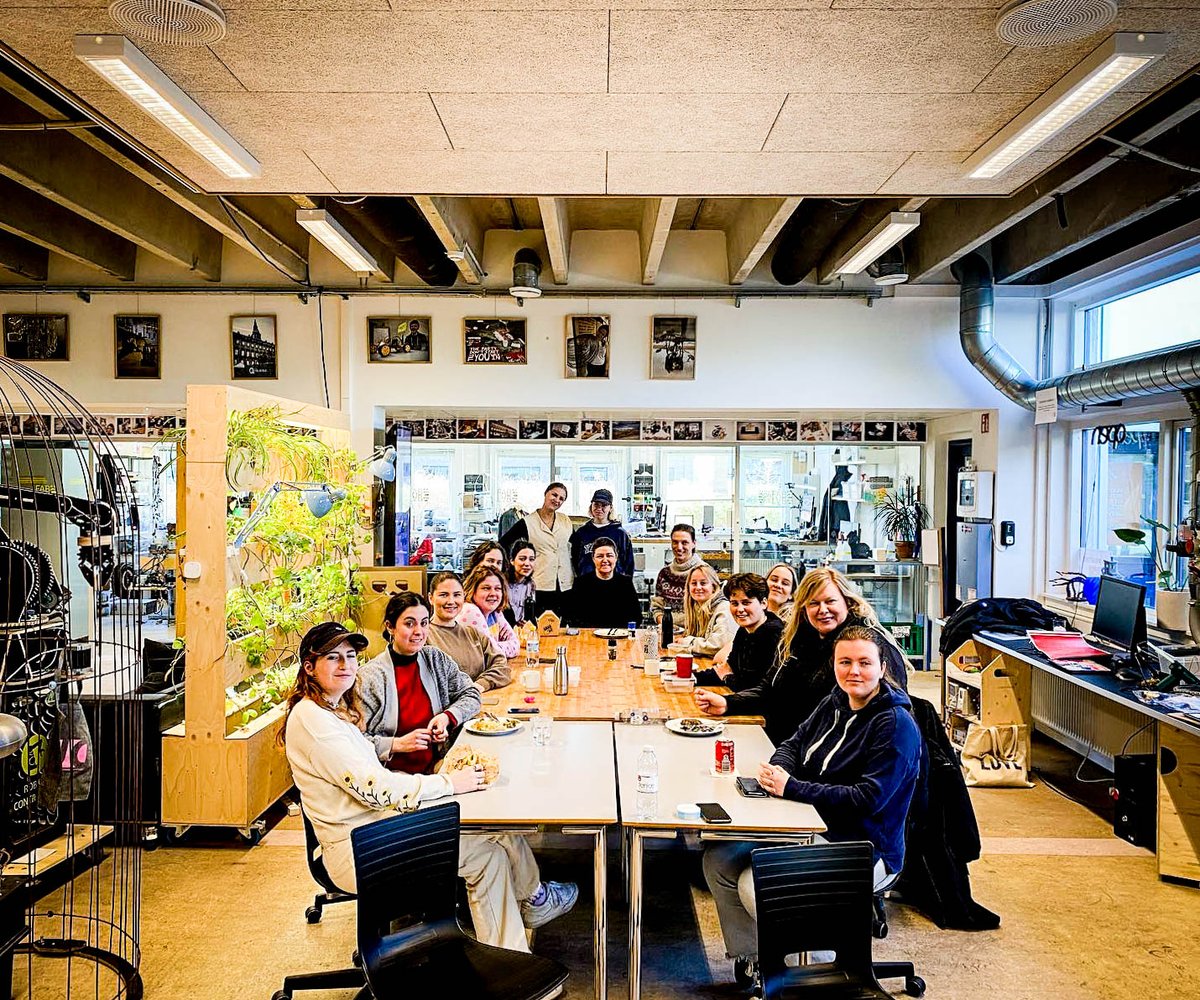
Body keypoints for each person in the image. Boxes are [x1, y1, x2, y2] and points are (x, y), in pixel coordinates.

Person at [284, 622, 577, 953]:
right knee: (487, 855)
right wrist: (449, 782)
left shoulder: (331, 710)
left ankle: (520, 938)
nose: (346, 666)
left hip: (376, 828)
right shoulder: (313, 719)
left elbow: (363, 769)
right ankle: (513, 955)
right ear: (309, 667)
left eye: (350, 657)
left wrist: (411, 759)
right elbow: (374, 788)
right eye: (333, 658)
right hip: (363, 851)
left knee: (493, 833)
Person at [702, 625, 922, 985]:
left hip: (862, 848)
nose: (854, 671)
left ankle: (816, 975)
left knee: (754, 884)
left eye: (865, 663)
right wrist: (780, 768)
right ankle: (757, 962)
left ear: (883, 667)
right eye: (845, 661)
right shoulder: (836, 700)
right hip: (812, 826)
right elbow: (795, 740)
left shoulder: (894, 725)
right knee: (719, 858)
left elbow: (866, 800)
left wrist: (793, 787)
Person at [694, 567, 908, 745]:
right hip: (791, 743)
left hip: (835, 758)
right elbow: (771, 688)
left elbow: (880, 718)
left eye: (830, 601)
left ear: (847, 602)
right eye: (813, 603)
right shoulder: (801, 637)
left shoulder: (867, 645)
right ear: (804, 608)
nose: (822, 610)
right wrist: (728, 703)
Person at [359, 592, 482, 772]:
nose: (419, 631)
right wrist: (396, 744)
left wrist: (447, 717)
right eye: (409, 624)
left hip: (438, 767)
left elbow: (471, 694)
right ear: (390, 627)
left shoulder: (435, 659)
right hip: (392, 778)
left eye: (424, 623)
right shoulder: (370, 677)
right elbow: (352, 742)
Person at [694, 573, 784, 692]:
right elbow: (729, 667)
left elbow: (751, 685)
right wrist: (689, 677)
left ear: (763, 603)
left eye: (746, 603)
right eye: (734, 603)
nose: (740, 609)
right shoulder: (745, 629)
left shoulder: (773, 633)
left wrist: (726, 677)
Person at [425, 571, 511, 691]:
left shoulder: (474, 634)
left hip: (481, 702)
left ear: (464, 596)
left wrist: (481, 685)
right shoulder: (423, 637)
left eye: (457, 595)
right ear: (430, 598)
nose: (451, 601)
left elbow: (502, 666)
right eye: (444, 595)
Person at [500, 482, 574, 617]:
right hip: (540, 583)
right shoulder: (527, 522)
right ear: (546, 494)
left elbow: (577, 545)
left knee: (563, 627)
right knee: (541, 625)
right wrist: (511, 570)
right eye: (554, 495)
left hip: (565, 584)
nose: (557, 500)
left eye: (561, 498)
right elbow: (503, 544)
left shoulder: (565, 520)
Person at [568, 537, 642, 628]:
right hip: (589, 637)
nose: (605, 560)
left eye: (609, 555)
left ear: (616, 558)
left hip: (619, 636)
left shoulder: (625, 583)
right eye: (600, 556)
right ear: (593, 559)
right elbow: (573, 618)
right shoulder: (581, 584)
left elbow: (636, 617)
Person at [570, 488, 635, 579]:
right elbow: (575, 560)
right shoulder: (582, 533)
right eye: (596, 505)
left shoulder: (620, 534)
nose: (599, 509)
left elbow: (628, 564)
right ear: (591, 506)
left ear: (610, 508)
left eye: (604, 505)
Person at [460, 565, 520, 658]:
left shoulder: (495, 612)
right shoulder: (470, 610)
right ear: (473, 590)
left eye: (497, 589)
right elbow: (491, 652)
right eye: (486, 588)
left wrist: (496, 645)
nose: (493, 594)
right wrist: (498, 645)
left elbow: (516, 644)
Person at [676, 563, 735, 657]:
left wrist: (687, 642)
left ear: (714, 587)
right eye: (694, 583)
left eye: (703, 583)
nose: (698, 587)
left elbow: (717, 646)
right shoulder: (695, 607)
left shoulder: (724, 608)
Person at [651, 523, 704, 621]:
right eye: (675, 542)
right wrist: (665, 625)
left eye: (684, 543)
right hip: (669, 631)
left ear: (694, 543)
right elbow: (657, 608)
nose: (679, 547)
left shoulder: (704, 572)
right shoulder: (664, 574)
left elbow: (710, 610)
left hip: (695, 633)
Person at [504, 539, 537, 625]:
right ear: (512, 560)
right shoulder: (502, 583)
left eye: (531, 559)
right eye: (522, 559)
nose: (527, 563)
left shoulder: (531, 585)